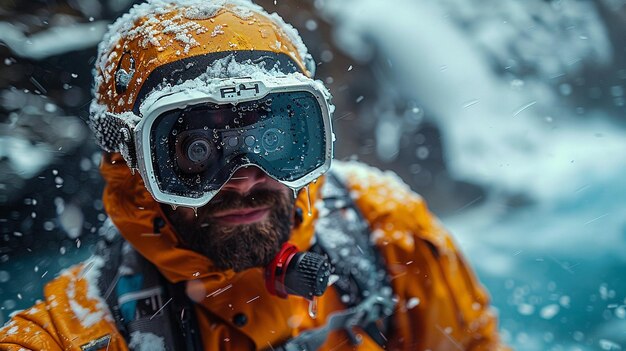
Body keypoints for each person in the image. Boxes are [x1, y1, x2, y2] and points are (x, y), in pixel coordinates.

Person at [0, 1, 509, 350]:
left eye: (274, 141)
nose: (243, 179)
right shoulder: (81, 331)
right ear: (131, 164)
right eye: (196, 152)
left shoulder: (384, 230)